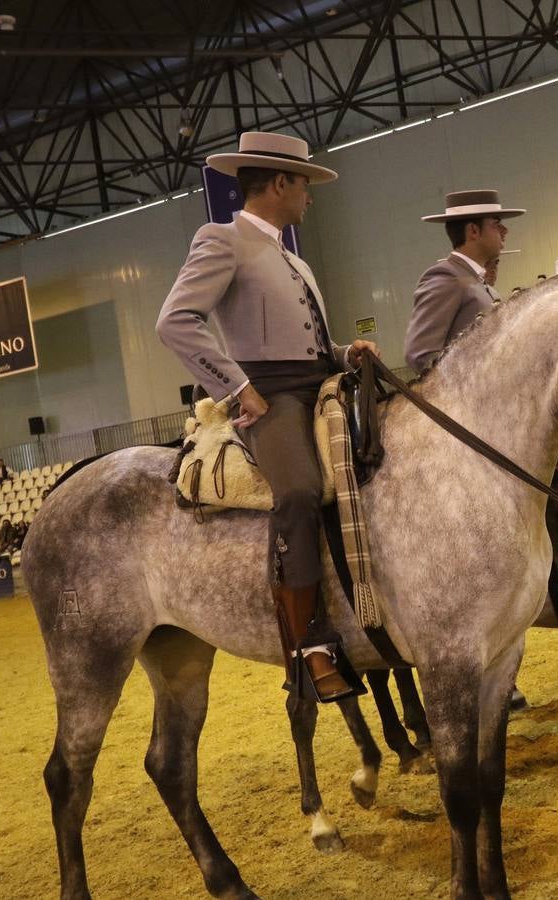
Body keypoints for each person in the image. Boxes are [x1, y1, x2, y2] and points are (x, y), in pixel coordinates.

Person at [156, 130, 379, 704]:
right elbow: (176, 321)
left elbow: (310, 345)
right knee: (300, 492)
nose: (310, 196)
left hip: (317, 384)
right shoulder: (221, 239)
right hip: (269, 397)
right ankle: (309, 646)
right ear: (280, 183)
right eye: (304, 184)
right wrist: (235, 390)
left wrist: (344, 354)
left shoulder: (294, 260)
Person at [405, 189, 524, 371]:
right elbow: (421, 356)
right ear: (474, 231)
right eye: (496, 223)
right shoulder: (447, 277)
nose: (505, 231)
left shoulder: (482, 285)